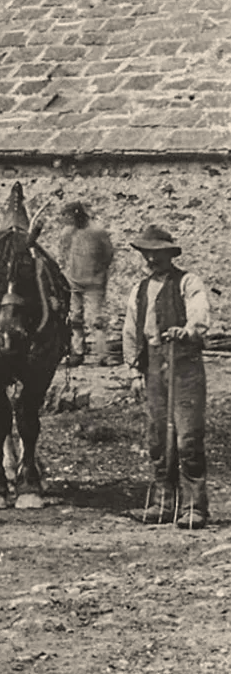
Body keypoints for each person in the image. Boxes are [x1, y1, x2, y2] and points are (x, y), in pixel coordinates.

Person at [122, 226, 212, 529]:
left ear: (168, 255)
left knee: (187, 436)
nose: (150, 258)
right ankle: (162, 503)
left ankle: (194, 506)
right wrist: (135, 371)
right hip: (154, 366)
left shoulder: (187, 282)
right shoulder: (140, 289)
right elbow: (131, 332)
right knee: (158, 436)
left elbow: (199, 313)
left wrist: (186, 331)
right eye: (146, 253)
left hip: (184, 365)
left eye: (156, 253)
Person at [58, 201, 117, 367]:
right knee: (75, 318)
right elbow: (63, 252)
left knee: (96, 319)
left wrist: (98, 273)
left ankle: (102, 355)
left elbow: (108, 254)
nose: (68, 220)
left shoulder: (97, 231)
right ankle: (77, 352)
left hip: (94, 284)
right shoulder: (67, 232)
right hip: (73, 281)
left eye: (69, 216)